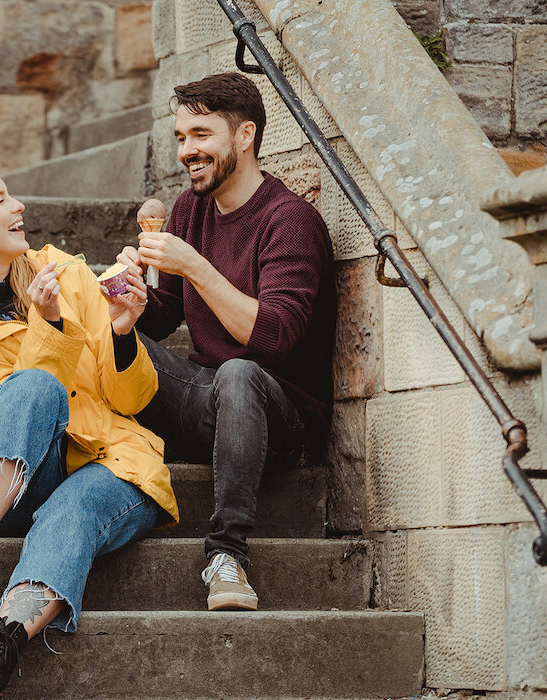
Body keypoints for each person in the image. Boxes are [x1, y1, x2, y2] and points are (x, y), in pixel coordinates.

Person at [0, 159, 178, 700]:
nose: (19, 206)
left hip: (115, 465)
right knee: (36, 390)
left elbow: (132, 399)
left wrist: (120, 335)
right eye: (0, 200)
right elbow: (13, 403)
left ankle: (3, 642)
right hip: (20, 481)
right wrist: (51, 325)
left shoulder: (65, 272)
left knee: (73, 509)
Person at [116, 72, 335, 612]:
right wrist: (130, 303)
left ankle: (227, 554)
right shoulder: (190, 209)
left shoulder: (291, 222)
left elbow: (273, 336)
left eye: (202, 135)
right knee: (105, 338)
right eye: (181, 137)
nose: (188, 151)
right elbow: (166, 315)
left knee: (238, 372)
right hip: (207, 398)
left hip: (281, 417)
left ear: (245, 136)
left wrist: (196, 265)